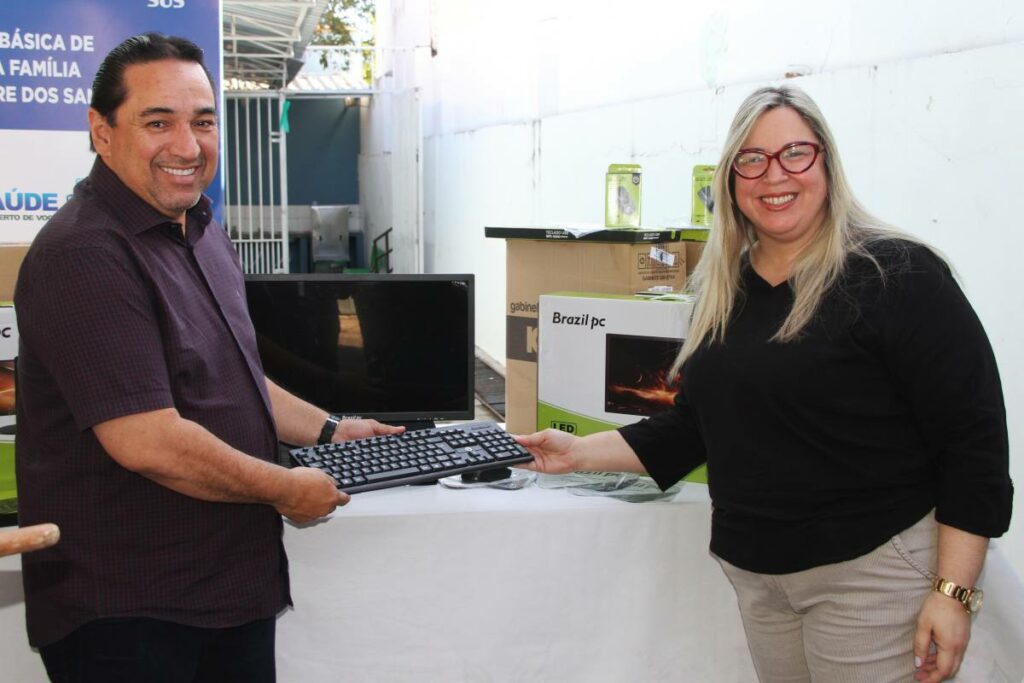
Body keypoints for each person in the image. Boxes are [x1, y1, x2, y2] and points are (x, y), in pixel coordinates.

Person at [516, 85, 1013, 683]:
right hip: (761, 582)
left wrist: (954, 593)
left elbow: (972, 440)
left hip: (871, 576)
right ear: (731, 179)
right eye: (751, 159)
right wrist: (577, 454)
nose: (774, 175)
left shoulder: (897, 275)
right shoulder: (724, 288)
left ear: (826, 162)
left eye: (795, 153)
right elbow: (697, 425)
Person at [13, 33, 402, 682]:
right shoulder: (86, 255)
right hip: (131, 615)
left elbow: (234, 377)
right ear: (101, 132)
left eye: (202, 121)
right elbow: (148, 441)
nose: (188, 146)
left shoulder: (200, 231)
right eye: (157, 122)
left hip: (224, 593)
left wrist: (332, 431)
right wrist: (287, 487)